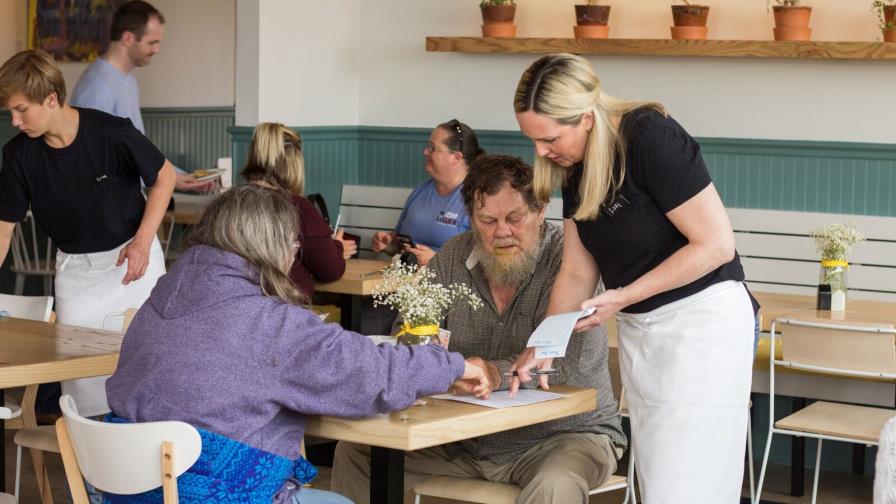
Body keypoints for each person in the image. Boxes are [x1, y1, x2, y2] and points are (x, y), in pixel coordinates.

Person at [105, 184, 490, 503]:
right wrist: (454, 365)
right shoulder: (270, 324)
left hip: (130, 492)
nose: (294, 254)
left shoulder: (157, 302)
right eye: (292, 243)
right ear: (269, 246)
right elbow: (369, 374)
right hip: (222, 493)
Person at [510, 53, 757, 504]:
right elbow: (577, 269)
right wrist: (543, 344)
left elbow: (716, 244)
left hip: (703, 327)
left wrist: (623, 296)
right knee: (659, 482)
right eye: (534, 141)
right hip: (644, 331)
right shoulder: (575, 165)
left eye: (548, 138)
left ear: (585, 117)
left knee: (684, 487)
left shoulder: (650, 136)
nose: (542, 153)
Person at [331, 154, 626, 504]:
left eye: (514, 218)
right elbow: (409, 332)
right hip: (463, 438)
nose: (501, 231)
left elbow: (564, 366)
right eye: (487, 220)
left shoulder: (571, 263)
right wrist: (434, 366)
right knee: (357, 453)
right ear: (470, 218)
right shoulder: (452, 258)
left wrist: (493, 373)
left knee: (554, 485)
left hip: (562, 436)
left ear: (541, 209)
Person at [0, 49, 175, 416]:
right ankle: (93, 472)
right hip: (75, 272)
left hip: (134, 261)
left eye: (21, 110)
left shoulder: (111, 132)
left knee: (149, 369)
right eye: (10, 111)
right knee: (81, 388)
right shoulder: (18, 156)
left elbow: (164, 177)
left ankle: (156, 468)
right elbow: (3, 230)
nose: (15, 121)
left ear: (51, 98)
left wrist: (143, 242)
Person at [70, 0, 211, 192]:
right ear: (128, 38)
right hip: (106, 208)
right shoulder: (98, 86)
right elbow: (97, 161)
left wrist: (176, 175)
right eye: (152, 42)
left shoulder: (128, 81)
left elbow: (136, 147)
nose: (157, 49)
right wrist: (165, 178)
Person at [241, 122, 357, 296]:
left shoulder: (229, 203)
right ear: (295, 164)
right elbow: (329, 271)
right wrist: (337, 247)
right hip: (285, 312)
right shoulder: (299, 209)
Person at [370, 119, 483, 267]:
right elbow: (400, 245)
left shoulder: (478, 198)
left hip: (450, 286)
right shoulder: (420, 191)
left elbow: (484, 260)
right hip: (406, 282)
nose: (425, 152)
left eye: (433, 148)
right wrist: (389, 244)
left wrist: (437, 261)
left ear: (456, 157)